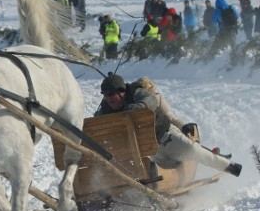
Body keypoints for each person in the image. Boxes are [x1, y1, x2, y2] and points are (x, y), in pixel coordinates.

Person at [94, 74, 242, 177]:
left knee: (193, 150)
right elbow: (97, 123)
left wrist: (137, 107)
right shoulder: (106, 108)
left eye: (111, 94)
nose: (108, 99)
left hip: (167, 137)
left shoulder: (137, 92)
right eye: (105, 95)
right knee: (156, 168)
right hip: (149, 149)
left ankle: (227, 166)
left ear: (122, 91)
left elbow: (150, 101)